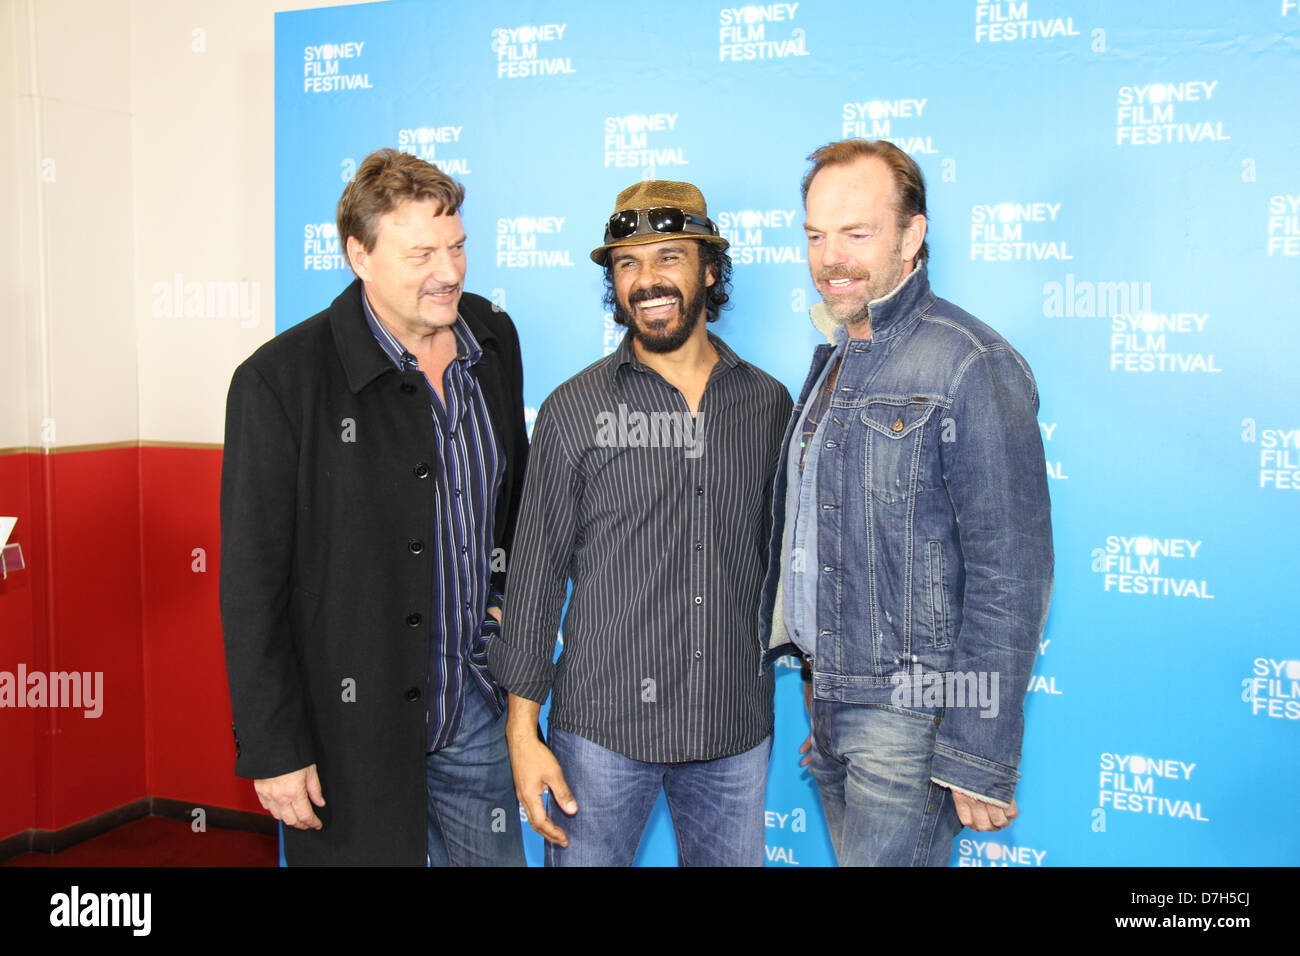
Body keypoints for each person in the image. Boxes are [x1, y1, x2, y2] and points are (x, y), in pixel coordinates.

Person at [220, 148, 528, 866]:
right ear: (358, 255)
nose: (449, 272)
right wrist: (273, 746)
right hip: (347, 735)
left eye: (456, 246)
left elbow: (513, 495)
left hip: (476, 710)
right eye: (421, 253)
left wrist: (506, 594)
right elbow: (251, 585)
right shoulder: (279, 383)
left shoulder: (493, 337)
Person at [757, 139, 1054, 866]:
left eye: (856, 233)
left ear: (912, 235)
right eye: (816, 235)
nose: (832, 257)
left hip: (908, 723)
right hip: (832, 705)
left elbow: (1010, 572)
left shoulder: (969, 362)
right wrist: (828, 696)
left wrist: (976, 750)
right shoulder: (835, 359)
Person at [488, 180, 792, 866]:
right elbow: (532, 580)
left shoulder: (769, 406)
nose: (647, 280)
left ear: (710, 270)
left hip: (733, 728)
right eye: (627, 263)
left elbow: (792, 567)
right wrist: (522, 733)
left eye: (668, 257)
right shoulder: (574, 410)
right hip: (601, 736)